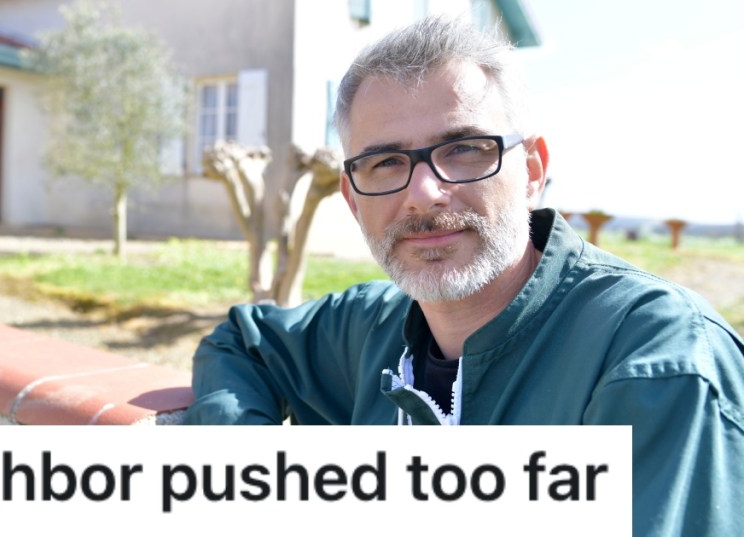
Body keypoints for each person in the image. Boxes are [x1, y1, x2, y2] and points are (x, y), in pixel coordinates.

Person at [183, 16, 744, 536]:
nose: (423, 193)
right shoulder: (371, 328)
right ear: (353, 200)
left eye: (465, 150)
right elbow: (242, 343)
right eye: (385, 162)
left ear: (532, 171)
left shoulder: (654, 357)